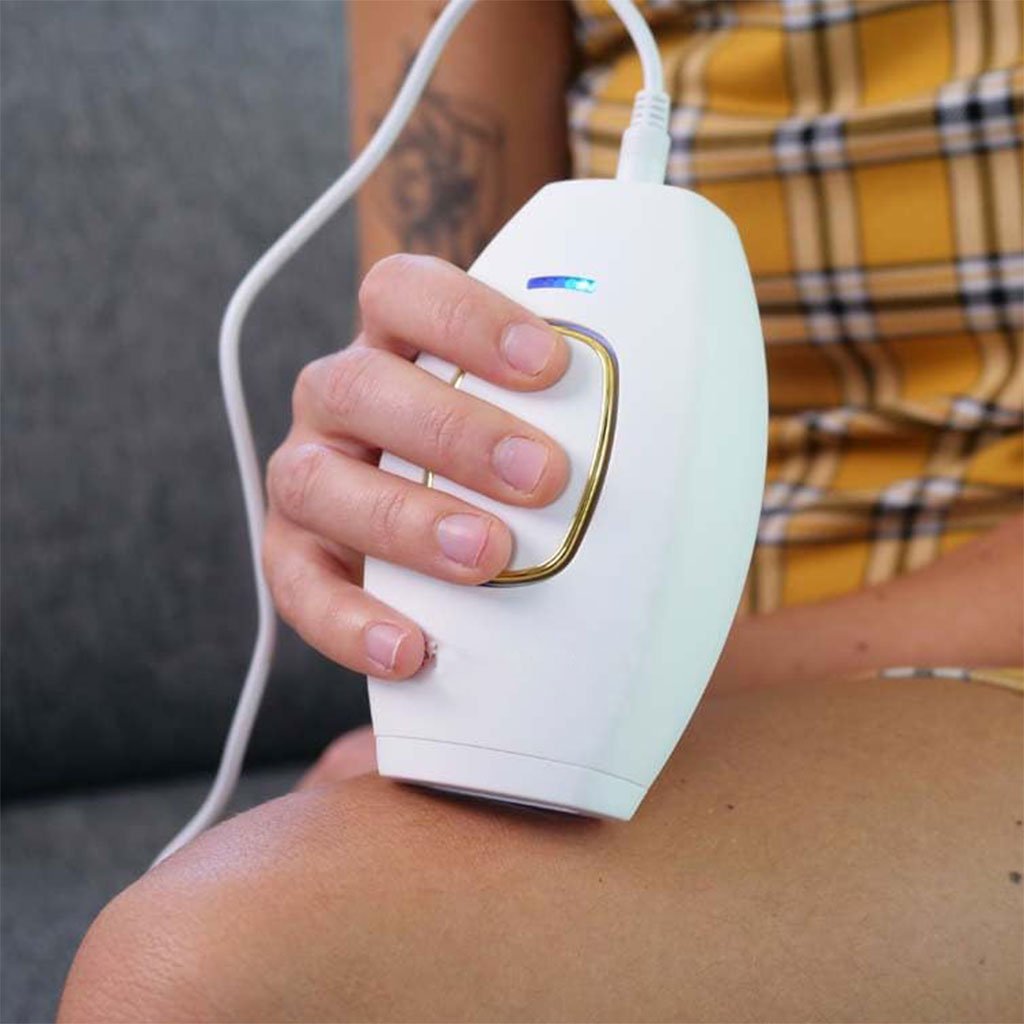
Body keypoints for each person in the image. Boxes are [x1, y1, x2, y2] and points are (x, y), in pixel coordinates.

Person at [60, 2, 1023, 1020]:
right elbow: (449, 336)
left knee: (195, 971)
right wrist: (384, 457)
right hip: (640, 678)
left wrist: (643, 672)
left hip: (917, 664)